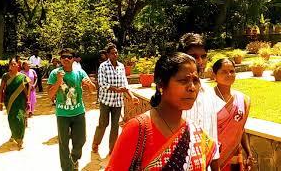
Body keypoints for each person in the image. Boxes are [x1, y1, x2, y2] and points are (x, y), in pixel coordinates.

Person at [106, 52, 217, 170]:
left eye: (195, 81)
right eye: (183, 81)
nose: (192, 88)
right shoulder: (138, 129)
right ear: (161, 85)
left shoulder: (195, 133)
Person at [178, 33, 225, 170]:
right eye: (194, 56)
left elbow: (212, 140)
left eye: (203, 56)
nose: (199, 61)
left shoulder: (210, 93)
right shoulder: (172, 94)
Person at [47, 48, 96, 171]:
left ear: (73, 58)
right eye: (64, 57)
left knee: (81, 140)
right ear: (60, 59)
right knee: (63, 144)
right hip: (62, 114)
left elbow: (93, 89)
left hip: (78, 112)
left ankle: (74, 158)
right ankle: (67, 168)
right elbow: (50, 94)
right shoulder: (55, 73)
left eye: (69, 56)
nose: (66, 59)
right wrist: (58, 81)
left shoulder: (79, 72)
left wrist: (89, 84)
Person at [92, 43, 139, 155]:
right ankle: (96, 143)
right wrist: (117, 90)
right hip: (105, 101)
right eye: (112, 53)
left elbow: (125, 84)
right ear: (108, 54)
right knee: (103, 124)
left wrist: (132, 96)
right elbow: (102, 84)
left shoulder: (121, 66)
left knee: (115, 126)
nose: (115, 54)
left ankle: (112, 149)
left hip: (117, 102)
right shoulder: (103, 66)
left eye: (116, 52)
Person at [212, 58, 255, 171]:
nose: (229, 74)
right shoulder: (208, 98)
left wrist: (248, 151)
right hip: (212, 156)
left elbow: (240, 129)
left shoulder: (243, 99)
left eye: (232, 71)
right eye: (224, 71)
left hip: (234, 154)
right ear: (214, 75)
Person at [0, 58, 31, 150]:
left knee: (20, 118)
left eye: (14, 64)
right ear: (9, 66)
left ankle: (20, 140)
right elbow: (1, 89)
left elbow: (27, 88)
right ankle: (13, 134)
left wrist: (28, 101)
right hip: (9, 101)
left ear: (18, 65)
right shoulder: (5, 76)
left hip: (20, 101)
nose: (13, 65)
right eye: (11, 64)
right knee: (12, 119)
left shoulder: (22, 76)